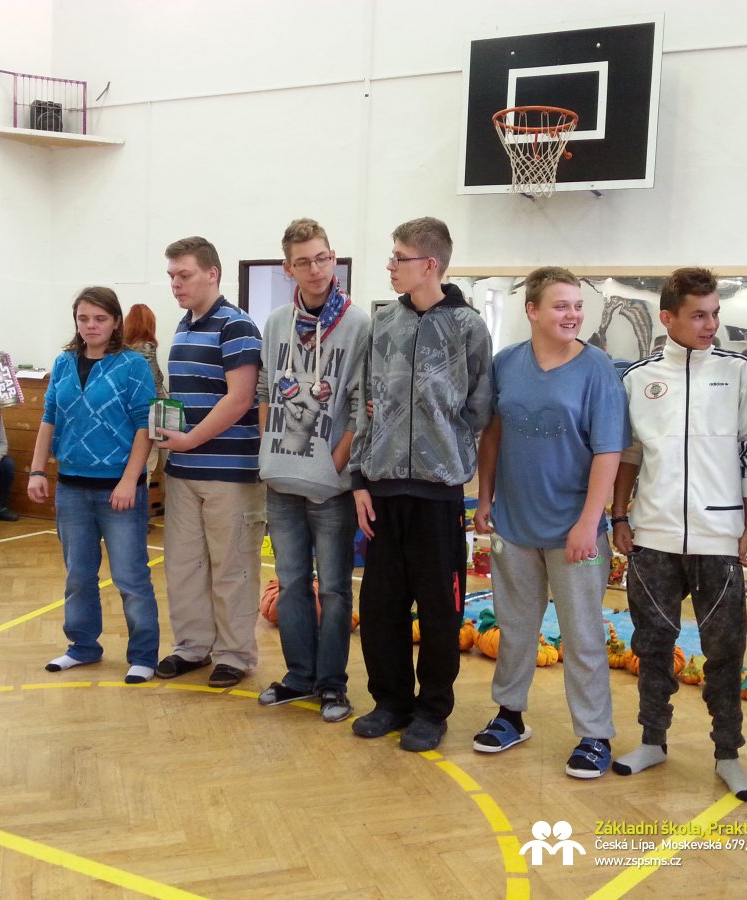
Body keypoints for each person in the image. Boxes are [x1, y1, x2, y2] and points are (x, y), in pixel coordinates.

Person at [610, 267, 747, 799]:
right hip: (652, 539)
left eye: (715, 314)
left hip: (719, 538)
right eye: (699, 315)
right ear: (668, 317)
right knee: (652, 645)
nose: (710, 325)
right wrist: (620, 516)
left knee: (725, 652)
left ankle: (728, 755)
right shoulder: (637, 378)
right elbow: (629, 454)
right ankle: (652, 741)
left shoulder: (740, 372)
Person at [472, 267, 629, 778]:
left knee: (582, 636)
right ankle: (510, 715)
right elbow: (493, 435)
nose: (572, 315)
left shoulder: (597, 368)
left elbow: (609, 451)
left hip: (574, 531)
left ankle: (594, 734)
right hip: (514, 525)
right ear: (532, 311)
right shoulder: (506, 363)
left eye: (578, 306)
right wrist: (485, 498)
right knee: (515, 628)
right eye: (561, 306)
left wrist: (589, 522)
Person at [349, 217, 493, 752]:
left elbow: (480, 407)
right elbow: (365, 401)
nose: (390, 265)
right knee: (381, 607)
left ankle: (432, 710)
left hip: (438, 495)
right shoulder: (383, 323)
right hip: (383, 491)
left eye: (399, 257)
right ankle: (390, 701)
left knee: (439, 611)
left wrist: (440, 445)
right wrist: (360, 478)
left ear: (429, 264)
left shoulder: (468, 327)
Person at [256, 218, 369, 723]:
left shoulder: (359, 324)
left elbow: (362, 405)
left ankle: (332, 685)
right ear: (288, 268)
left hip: (332, 483)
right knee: (291, 581)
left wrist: (333, 464)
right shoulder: (277, 322)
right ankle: (299, 676)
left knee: (335, 588)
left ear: (333, 259)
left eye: (322, 258)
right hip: (281, 478)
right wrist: (271, 446)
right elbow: (264, 390)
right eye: (303, 262)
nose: (315, 269)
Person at [27, 287, 159, 683]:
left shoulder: (133, 365)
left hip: (119, 488)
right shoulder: (64, 362)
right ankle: (82, 646)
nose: (91, 326)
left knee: (130, 577)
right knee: (78, 575)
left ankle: (143, 655)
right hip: (71, 487)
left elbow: (145, 426)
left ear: (116, 322)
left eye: (100, 318)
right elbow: (49, 417)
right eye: (83, 318)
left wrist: (129, 480)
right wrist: (36, 471)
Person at [154, 237, 265, 689]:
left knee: (232, 568)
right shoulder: (183, 327)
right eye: (171, 276)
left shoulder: (237, 325)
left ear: (212, 273)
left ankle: (235, 655)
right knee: (184, 566)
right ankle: (192, 647)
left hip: (229, 472)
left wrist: (189, 440)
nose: (175, 284)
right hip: (183, 471)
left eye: (184, 275)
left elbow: (240, 399)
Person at [124, 303, 166, 475]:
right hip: (146, 411)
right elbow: (155, 380)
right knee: (147, 463)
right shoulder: (148, 346)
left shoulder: (121, 350)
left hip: (125, 414)